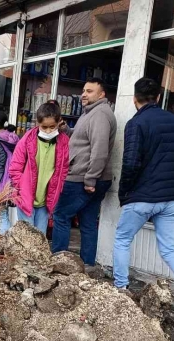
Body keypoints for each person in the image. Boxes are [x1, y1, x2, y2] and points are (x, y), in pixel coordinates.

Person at [114, 77, 174, 321]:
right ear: (158, 97)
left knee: (123, 239)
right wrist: (170, 175)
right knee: (169, 247)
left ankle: (121, 289)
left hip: (142, 196)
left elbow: (131, 163)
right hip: (172, 197)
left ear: (135, 99)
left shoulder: (136, 123)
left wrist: (124, 193)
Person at [52, 78, 116, 265]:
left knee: (61, 216)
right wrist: (66, 130)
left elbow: (99, 149)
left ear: (102, 94)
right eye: (83, 90)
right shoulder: (90, 113)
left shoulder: (100, 115)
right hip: (90, 177)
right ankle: (87, 266)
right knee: (87, 222)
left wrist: (90, 180)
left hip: (83, 177)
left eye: (89, 91)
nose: (84, 94)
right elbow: (83, 141)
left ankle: (59, 264)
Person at [8, 100, 70, 233]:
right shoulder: (26, 140)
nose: (48, 131)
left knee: (40, 237)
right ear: (37, 123)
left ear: (59, 122)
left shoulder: (64, 142)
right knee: (27, 239)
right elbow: (15, 168)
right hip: (26, 198)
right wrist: (21, 188)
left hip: (46, 201)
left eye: (52, 127)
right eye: (44, 127)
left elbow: (63, 168)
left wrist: (58, 188)